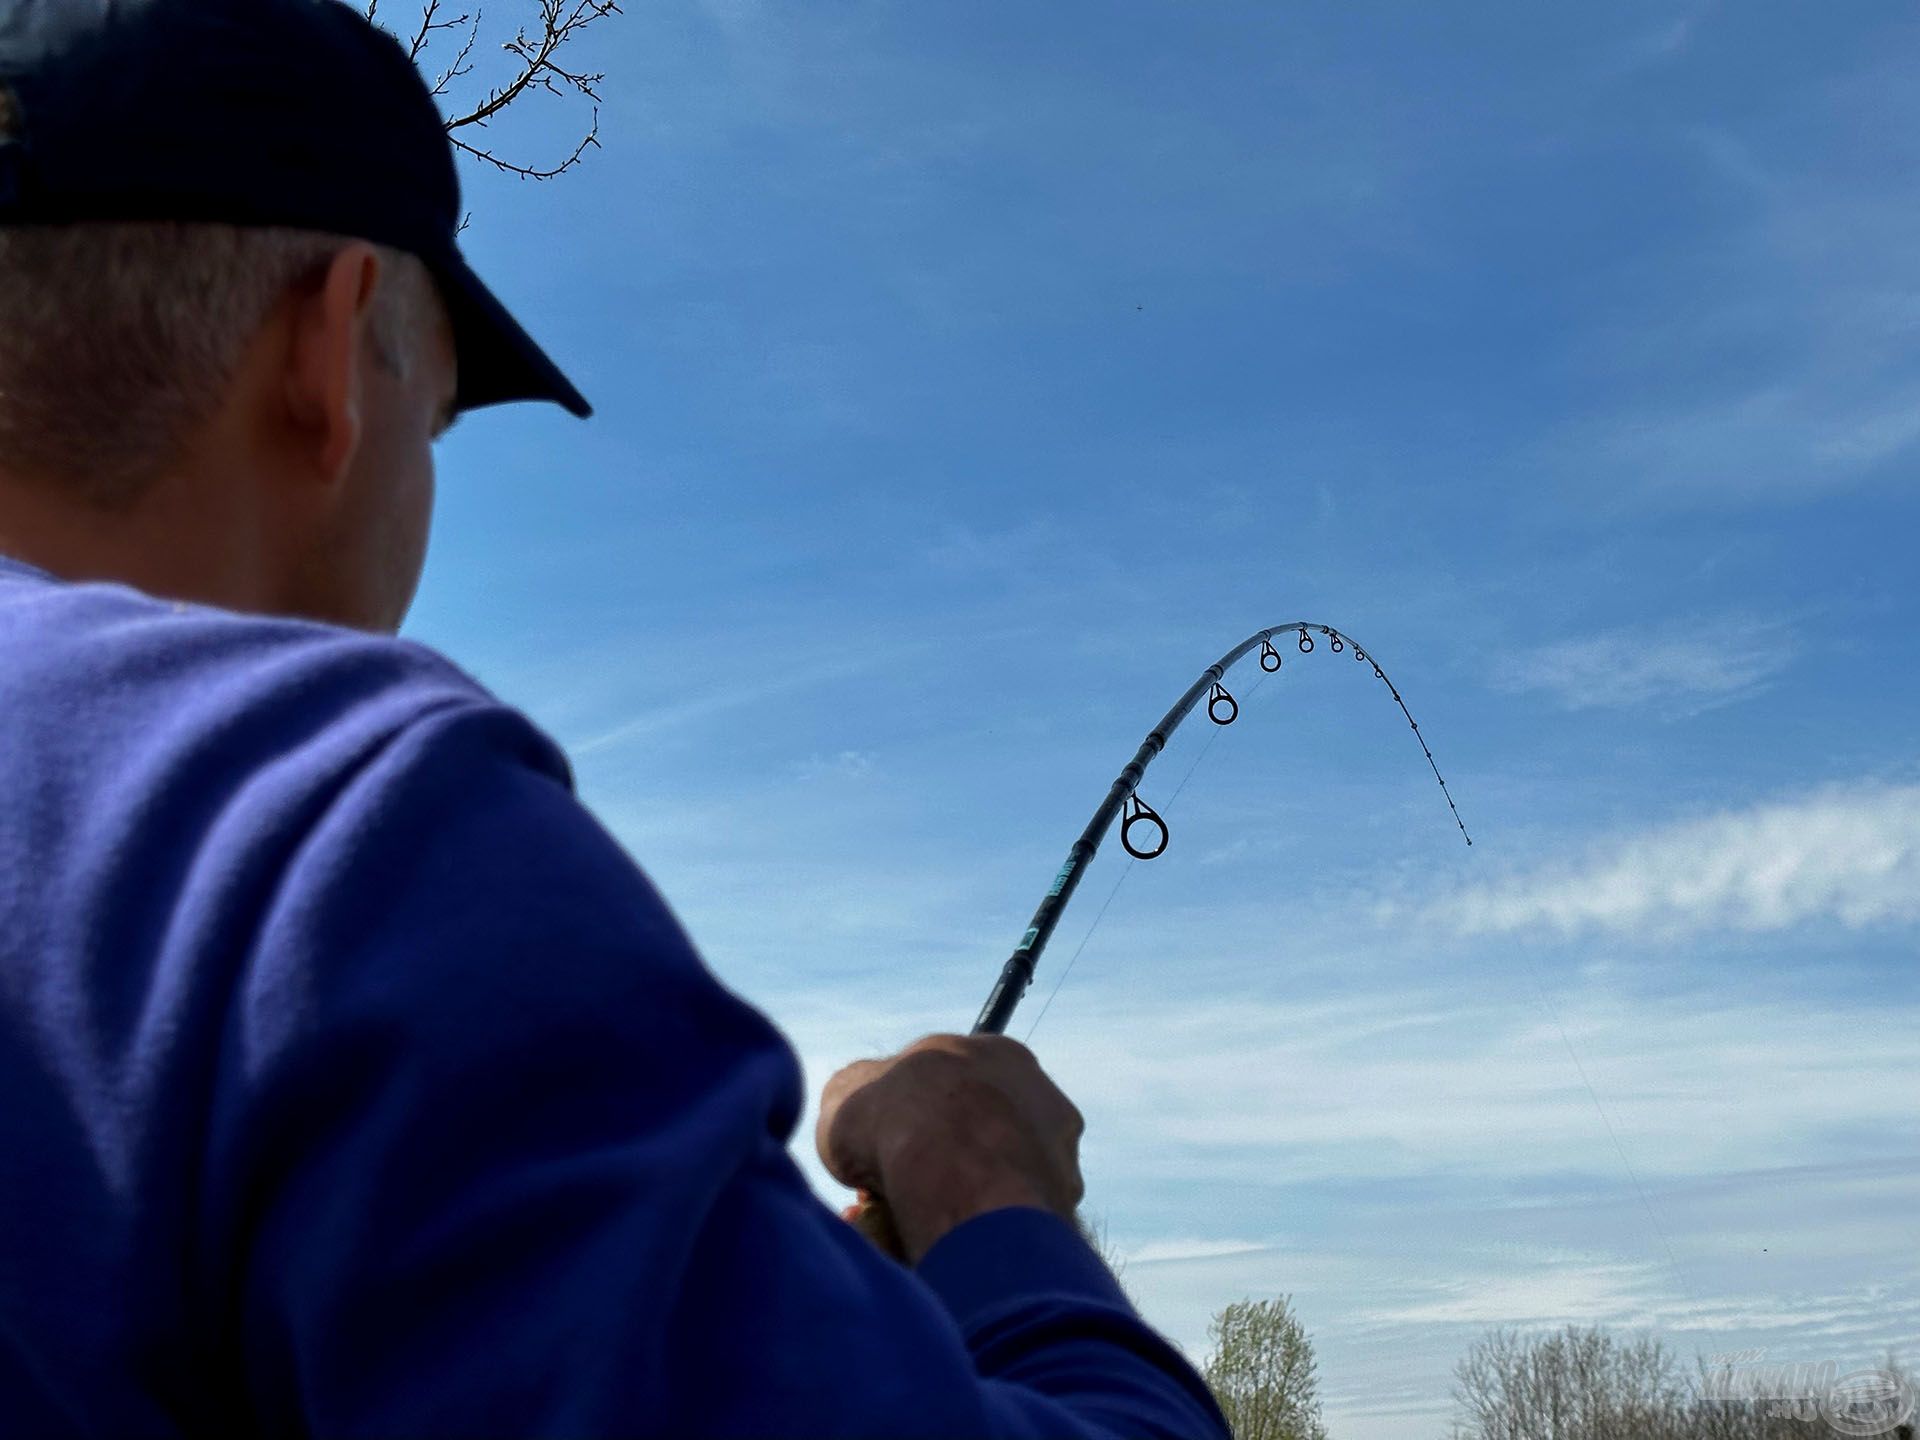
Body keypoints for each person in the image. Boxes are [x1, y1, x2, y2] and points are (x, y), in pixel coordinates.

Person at [0, 3, 1231, 1436]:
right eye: (440, 418)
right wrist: (984, 1186)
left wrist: (752, 1290)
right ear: (328, 355)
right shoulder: (327, 835)